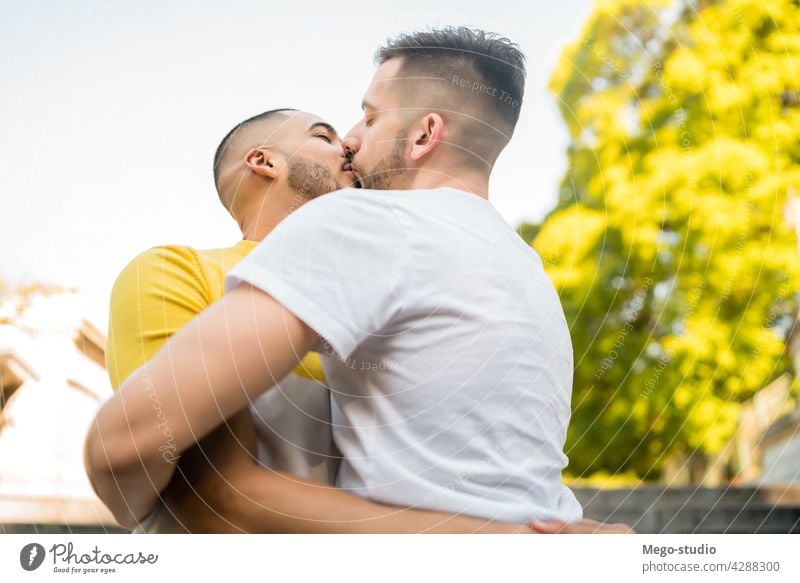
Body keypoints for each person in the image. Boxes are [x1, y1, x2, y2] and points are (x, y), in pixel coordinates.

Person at [86, 26, 633, 534]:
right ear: (262, 162)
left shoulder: (363, 229)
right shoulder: (527, 271)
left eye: (368, 119)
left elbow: (125, 450)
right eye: (330, 132)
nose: (351, 139)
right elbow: (195, 486)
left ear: (423, 136)